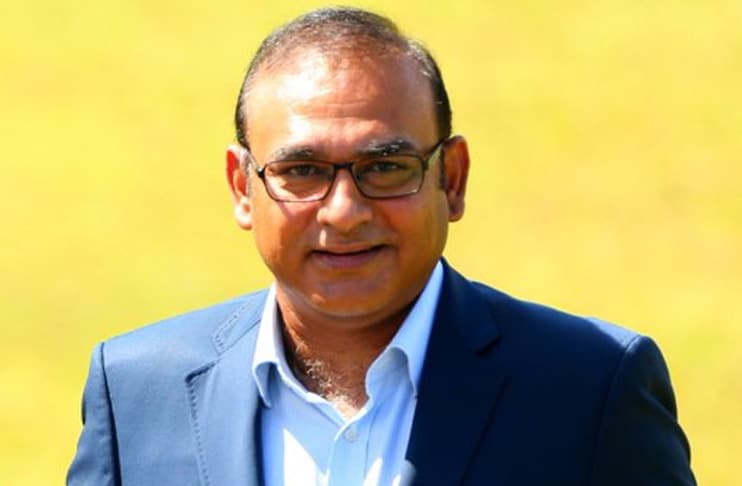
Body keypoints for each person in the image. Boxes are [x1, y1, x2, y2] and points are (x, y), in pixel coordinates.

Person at [67, 7, 696, 486]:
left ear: (452, 179)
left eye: (386, 167)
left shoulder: (590, 390)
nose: (344, 212)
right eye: (302, 170)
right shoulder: (135, 393)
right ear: (242, 187)